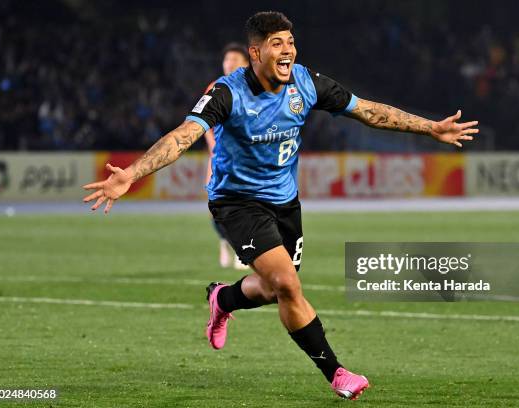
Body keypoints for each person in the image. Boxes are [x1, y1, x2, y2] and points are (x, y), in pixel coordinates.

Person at [83, 11, 478, 400]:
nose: (288, 51)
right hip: (236, 203)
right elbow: (183, 136)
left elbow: (366, 110)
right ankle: (336, 372)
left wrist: (431, 127)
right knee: (289, 285)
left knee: (275, 290)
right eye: (277, 44)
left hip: (286, 204)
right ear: (255, 53)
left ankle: (222, 298)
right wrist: (132, 174)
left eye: (290, 42)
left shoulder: (306, 83)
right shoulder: (227, 92)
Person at [203, 43, 250, 270]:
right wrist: (214, 148)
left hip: (246, 158)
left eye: (234, 59)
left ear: (246, 64)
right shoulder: (214, 88)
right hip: (220, 157)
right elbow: (203, 123)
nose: (229, 63)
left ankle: (244, 248)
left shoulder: (255, 88)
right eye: (226, 60)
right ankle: (224, 241)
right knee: (215, 206)